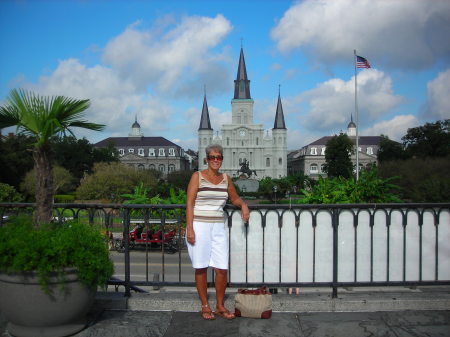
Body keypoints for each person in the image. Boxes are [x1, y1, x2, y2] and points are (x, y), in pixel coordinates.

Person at [186, 144, 250, 320]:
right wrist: (190, 228)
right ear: (206, 159)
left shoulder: (225, 179)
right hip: (199, 225)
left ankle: (220, 305)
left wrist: (243, 205)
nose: (216, 160)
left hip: (218, 227)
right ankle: (205, 305)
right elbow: (190, 203)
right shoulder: (197, 177)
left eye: (219, 157)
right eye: (212, 157)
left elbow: (234, 197)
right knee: (201, 267)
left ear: (222, 159)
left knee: (222, 268)